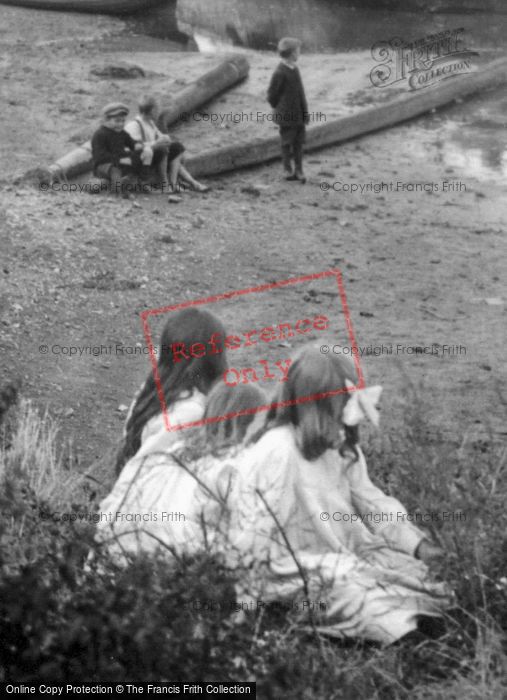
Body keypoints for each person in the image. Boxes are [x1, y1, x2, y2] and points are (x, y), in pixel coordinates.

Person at [226, 345, 453, 645]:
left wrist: (419, 545)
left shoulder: (342, 448)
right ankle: (405, 637)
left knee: (420, 578)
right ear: (315, 410)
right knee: (356, 594)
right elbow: (255, 539)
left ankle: (426, 622)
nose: (347, 425)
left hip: (347, 555)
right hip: (292, 573)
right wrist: (244, 608)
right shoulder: (278, 451)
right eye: (340, 413)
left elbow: (372, 502)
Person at [96, 378, 265, 562]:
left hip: (120, 553)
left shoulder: (175, 450)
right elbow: (246, 532)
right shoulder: (232, 465)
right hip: (172, 562)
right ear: (243, 422)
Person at [124, 95, 210, 199]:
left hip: (152, 155)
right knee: (162, 149)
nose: (158, 112)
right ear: (152, 110)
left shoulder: (150, 123)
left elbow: (160, 135)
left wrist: (164, 138)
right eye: (157, 110)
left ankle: (174, 183)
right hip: (141, 160)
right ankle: (164, 183)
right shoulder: (134, 125)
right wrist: (155, 144)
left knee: (177, 147)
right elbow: (134, 147)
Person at [267, 37, 309, 183]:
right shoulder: (280, 72)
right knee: (286, 143)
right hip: (286, 116)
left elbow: (300, 92)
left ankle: (299, 169)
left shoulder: (295, 69)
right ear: (291, 54)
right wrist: (280, 110)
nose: (299, 54)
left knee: (298, 143)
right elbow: (272, 94)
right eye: (298, 52)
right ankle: (287, 169)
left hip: (298, 115)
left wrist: (304, 111)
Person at [91, 102, 144, 199]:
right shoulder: (100, 134)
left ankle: (128, 183)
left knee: (136, 161)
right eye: (117, 121)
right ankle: (118, 192)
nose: (120, 124)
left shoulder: (121, 132)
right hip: (103, 165)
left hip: (119, 162)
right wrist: (119, 160)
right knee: (115, 170)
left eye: (123, 121)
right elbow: (100, 157)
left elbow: (131, 142)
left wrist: (136, 145)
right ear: (106, 120)